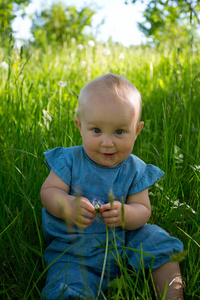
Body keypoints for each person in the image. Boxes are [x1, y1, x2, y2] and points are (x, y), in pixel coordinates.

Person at [41, 73, 184, 300]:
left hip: (124, 244)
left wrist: (126, 214)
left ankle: (172, 295)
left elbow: (143, 209)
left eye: (119, 131)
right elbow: (48, 192)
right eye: (96, 130)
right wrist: (67, 204)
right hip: (74, 252)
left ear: (137, 131)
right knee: (66, 284)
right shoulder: (68, 160)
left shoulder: (135, 169)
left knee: (157, 239)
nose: (107, 142)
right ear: (80, 126)